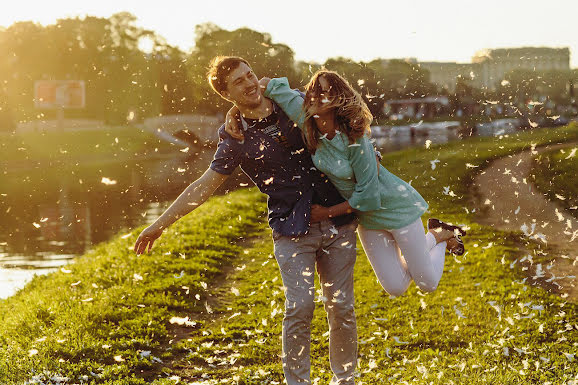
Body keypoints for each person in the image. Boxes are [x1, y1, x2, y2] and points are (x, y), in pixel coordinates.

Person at [134, 58, 359, 384]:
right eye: (239, 82)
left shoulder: (290, 101)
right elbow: (205, 185)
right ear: (227, 94)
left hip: (339, 219)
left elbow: (339, 118)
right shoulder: (235, 136)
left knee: (341, 308)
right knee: (300, 307)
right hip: (291, 229)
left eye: (250, 75)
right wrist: (159, 224)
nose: (250, 84)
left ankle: (346, 380)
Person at [226, 71, 467, 297]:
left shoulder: (356, 140)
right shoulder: (307, 121)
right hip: (368, 220)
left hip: (396, 209)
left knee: (427, 283)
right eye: (312, 90)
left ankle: (439, 234)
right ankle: (438, 234)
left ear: (338, 99)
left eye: (324, 92)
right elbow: (267, 85)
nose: (315, 96)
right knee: (395, 287)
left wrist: (327, 213)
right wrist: (234, 110)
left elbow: (369, 196)